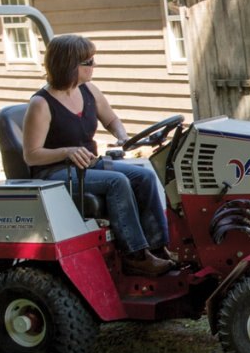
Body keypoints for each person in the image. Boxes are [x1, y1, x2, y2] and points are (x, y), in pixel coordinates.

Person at [22, 34, 175, 276]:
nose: (95, 65)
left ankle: (158, 248)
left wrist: (122, 135)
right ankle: (135, 256)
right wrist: (67, 151)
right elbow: (31, 155)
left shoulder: (89, 91)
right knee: (117, 182)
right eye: (89, 62)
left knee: (144, 176)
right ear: (70, 65)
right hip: (54, 172)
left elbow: (112, 119)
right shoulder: (41, 104)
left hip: (88, 166)